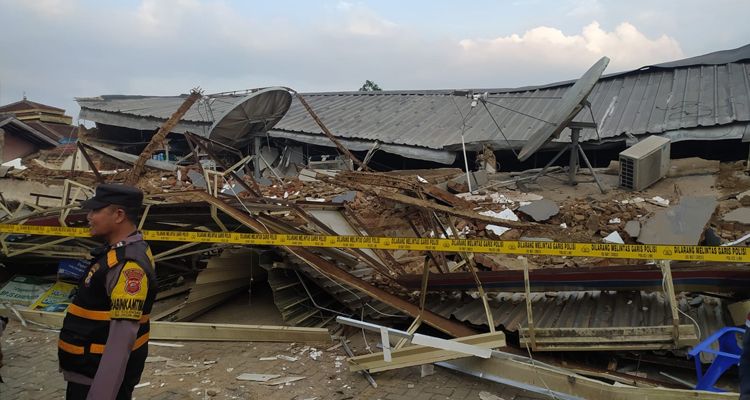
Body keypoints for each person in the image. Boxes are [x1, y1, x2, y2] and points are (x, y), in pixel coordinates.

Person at [58, 183, 157, 400]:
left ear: (119, 214)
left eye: (96, 210)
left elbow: (122, 339)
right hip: (87, 371)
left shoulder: (128, 265)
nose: (89, 216)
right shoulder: (117, 253)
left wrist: (101, 395)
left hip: (98, 383)